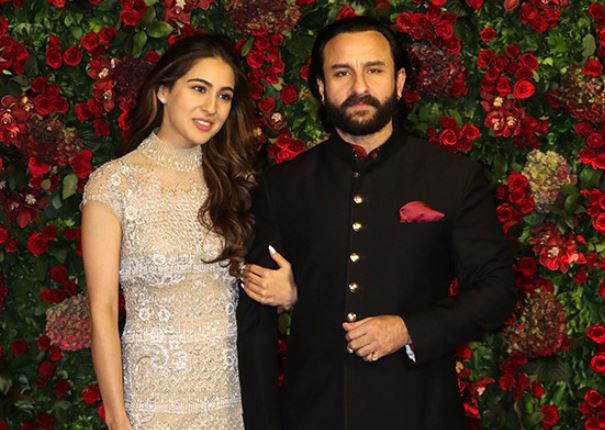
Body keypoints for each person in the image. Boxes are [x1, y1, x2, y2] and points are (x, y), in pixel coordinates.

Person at [238, 16, 517, 430]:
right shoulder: (282, 186)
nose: (359, 87)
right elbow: (256, 316)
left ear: (399, 82)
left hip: (420, 411)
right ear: (321, 88)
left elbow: (496, 292)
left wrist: (408, 329)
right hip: (313, 412)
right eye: (341, 73)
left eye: (374, 69)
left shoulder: (453, 178)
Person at [81, 34, 294, 429]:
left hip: (233, 404)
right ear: (163, 90)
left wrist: (288, 291)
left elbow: (265, 287)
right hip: (154, 406)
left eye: (224, 96)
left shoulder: (238, 184)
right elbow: (103, 310)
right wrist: (116, 416)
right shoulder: (113, 184)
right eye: (199, 88)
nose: (212, 107)